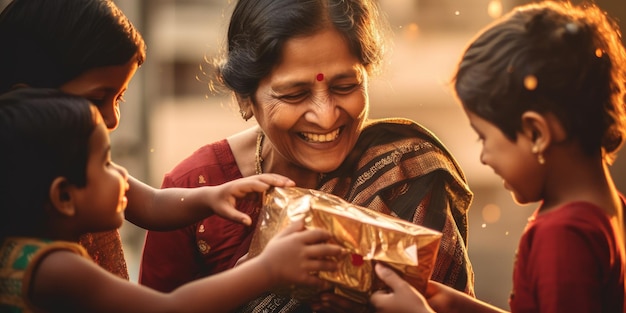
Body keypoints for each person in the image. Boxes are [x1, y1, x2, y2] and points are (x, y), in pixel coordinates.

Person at [139, 0, 475, 312]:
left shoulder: (405, 171)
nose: (326, 116)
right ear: (245, 99)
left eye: (344, 86)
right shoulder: (192, 193)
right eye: (294, 94)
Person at [0, 0, 292, 280]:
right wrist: (261, 272)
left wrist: (213, 196)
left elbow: (152, 204)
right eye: (96, 99)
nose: (113, 119)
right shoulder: (57, 257)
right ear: (27, 96)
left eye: (118, 99)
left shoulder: (93, 173)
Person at [370, 1, 626, 312]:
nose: (484, 158)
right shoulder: (609, 210)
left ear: (536, 133)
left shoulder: (563, 236)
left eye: (485, 138)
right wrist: (452, 305)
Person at [0, 87, 343, 313]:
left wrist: (211, 196)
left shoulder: (20, 252)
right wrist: (267, 269)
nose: (122, 176)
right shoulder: (58, 268)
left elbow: (152, 204)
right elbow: (169, 309)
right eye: (106, 163)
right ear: (63, 196)